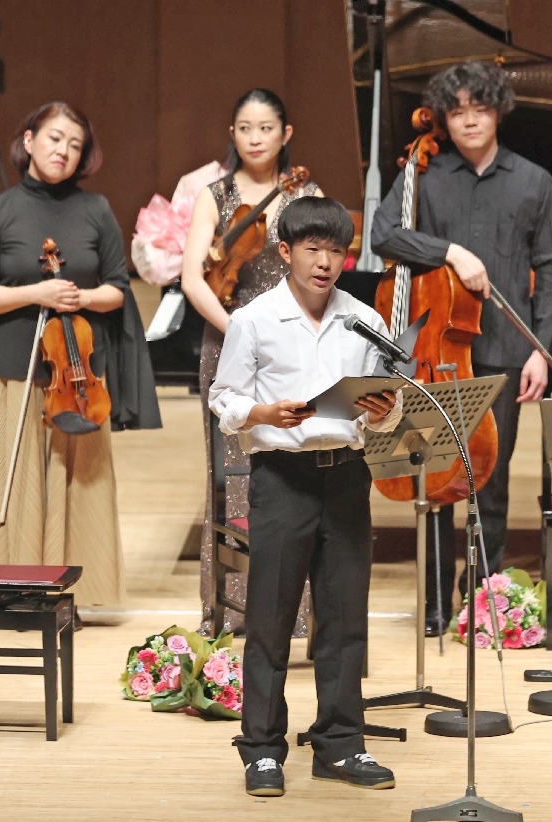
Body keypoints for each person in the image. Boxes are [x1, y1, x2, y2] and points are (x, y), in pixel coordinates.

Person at [210, 196, 402, 796]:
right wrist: (262, 412)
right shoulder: (254, 319)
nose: (324, 261)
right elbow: (224, 399)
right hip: (283, 480)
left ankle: (341, 745)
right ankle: (262, 750)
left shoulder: (366, 319)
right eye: (312, 249)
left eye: (336, 250)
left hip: (347, 476)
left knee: (344, 619)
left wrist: (385, 411)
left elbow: (385, 419)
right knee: (269, 619)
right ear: (287, 253)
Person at [371, 61, 552, 636]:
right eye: (456, 111)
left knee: (492, 478)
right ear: (444, 118)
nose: (468, 121)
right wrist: (448, 251)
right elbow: (383, 233)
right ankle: (434, 603)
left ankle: (483, 600)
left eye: (479, 108)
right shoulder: (426, 176)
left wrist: (541, 350)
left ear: (498, 110)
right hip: (437, 349)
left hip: (508, 349)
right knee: (433, 475)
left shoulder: (534, 182)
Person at [0, 101, 161, 617]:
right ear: (28, 140)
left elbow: (116, 291)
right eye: (54, 138)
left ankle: (69, 593)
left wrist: (78, 299)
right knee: (15, 483)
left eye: (75, 144)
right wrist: (37, 293)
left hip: (78, 373)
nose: (63, 150)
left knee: (75, 483)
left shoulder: (97, 210)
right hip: (14, 368)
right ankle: (17, 587)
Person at [179, 89, 321, 635]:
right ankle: (230, 607)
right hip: (229, 339)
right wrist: (240, 330)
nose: (255, 137)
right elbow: (194, 277)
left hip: (292, 347)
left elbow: (321, 269)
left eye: (266, 128)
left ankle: (292, 610)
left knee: (295, 466)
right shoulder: (213, 195)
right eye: (244, 128)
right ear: (232, 134)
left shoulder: (305, 193)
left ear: (286, 134)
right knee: (230, 473)